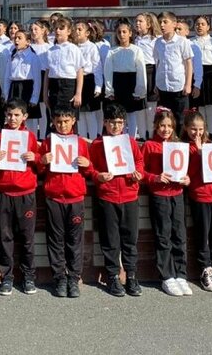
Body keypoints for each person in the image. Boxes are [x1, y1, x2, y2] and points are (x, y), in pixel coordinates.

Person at [85, 102, 144, 298]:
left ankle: (132, 275)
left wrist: (139, 174)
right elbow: (90, 167)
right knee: (110, 240)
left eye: (119, 122)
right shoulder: (97, 144)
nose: (116, 126)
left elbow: (139, 162)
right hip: (107, 196)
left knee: (130, 239)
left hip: (129, 195)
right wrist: (97, 176)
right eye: (111, 122)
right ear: (104, 122)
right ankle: (112, 276)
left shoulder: (131, 143)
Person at [0, 99, 41, 296]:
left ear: (25, 117)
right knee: (5, 237)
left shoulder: (30, 137)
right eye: (9, 115)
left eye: (17, 115)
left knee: (27, 238)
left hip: (26, 193)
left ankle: (28, 277)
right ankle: (7, 277)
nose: (12, 118)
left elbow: (41, 165)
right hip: (4, 193)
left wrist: (34, 159)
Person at [37, 107, 91, 298]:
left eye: (66, 121)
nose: (63, 125)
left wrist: (88, 164)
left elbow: (89, 171)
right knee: (55, 240)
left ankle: (74, 277)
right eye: (59, 122)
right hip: (54, 197)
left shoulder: (81, 143)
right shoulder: (48, 142)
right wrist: (42, 161)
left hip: (75, 197)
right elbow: (40, 171)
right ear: (53, 122)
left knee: (75, 240)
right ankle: (59, 277)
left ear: (73, 121)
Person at [142, 109, 193, 297]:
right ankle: (167, 276)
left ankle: (181, 274)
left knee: (179, 234)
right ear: (156, 126)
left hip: (177, 194)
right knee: (163, 235)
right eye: (162, 125)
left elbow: (187, 170)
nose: (166, 129)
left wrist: (187, 179)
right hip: (159, 195)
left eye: (169, 126)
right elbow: (140, 171)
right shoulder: (148, 145)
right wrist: (154, 177)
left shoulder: (178, 145)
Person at [182, 110, 212, 292]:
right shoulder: (185, 148)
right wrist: (199, 153)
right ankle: (205, 269)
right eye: (193, 129)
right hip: (200, 195)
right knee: (202, 235)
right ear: (186, 129)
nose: (197, 133)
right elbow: (190, 173)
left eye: (200, 129)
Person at [103, 19, 146, 140]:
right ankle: (120, 138)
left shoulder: (136, 50)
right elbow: (108, 71)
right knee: (119, 114)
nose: (122, 35)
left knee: (131, 114)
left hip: (131, 82)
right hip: (118, 82)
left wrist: (140, 90)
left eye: (124, 32)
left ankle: (131, 139)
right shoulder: (112, 50)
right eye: (119, 32)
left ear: (130, 33)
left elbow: (141, 70)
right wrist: (109, 90)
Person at [154, 12, 193, 135]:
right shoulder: (158, 42)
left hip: (178, 86)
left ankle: (180, 143)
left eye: (165, 22)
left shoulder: (182, 41)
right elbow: (157, 63)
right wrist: (156, 84)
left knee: (180, 118)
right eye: (160, 22)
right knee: (165, 117)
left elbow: (188, 63)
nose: (162, 25)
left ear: (174, 24)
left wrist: (188, 84)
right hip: (163, 85)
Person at [4, 31, 44, 137]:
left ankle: (32, 139)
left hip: (27, 88)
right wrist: (5, 94)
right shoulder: (12, 56)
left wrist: (34, 98)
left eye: (20, 38)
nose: (16, 40)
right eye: (15, 38)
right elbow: (7, 77)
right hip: (14, 88)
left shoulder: (33, 57)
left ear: (28, 42)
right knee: (15, 115)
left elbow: (37, 79)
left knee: (29, 118)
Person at [73, 21, 104, 140]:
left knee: (90, 113)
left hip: (89, 80)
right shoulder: (73, 46)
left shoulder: (92, 47)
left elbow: (97, 67)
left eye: (80, 29)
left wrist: (98, 86)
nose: (77, 32)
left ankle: (92, 139)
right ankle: (82, 139)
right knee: (79, 114)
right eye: (75, 29)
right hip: (77, 81)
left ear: (87, 33)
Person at [134, 13, 158, 140]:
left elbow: (158, 60)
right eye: (136, 21)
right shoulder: (135, 40)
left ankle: (151, 134)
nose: (137, 24)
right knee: (139, 106)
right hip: (138, 72)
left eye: (140, 21)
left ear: (148, 24)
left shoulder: (154, 40)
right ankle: (142, 135)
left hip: (150, 71)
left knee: (150, 107)